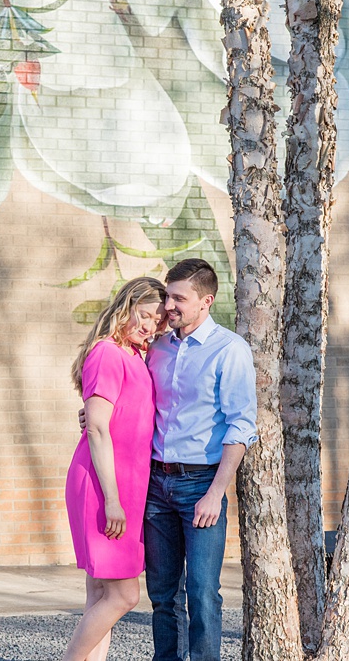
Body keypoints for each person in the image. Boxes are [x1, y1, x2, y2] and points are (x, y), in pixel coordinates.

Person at [143, 258, 258, 661]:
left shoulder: (229, 350)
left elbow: (241, 427)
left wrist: (215, 493)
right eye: (167, 296)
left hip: (200, 486)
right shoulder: (156, 346)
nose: (168, 306)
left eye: (179, 298)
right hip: (155, 486)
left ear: (206, 301)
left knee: (203, 593)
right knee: (161, 594)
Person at [62, 277, 168, 661]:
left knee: (101, 595)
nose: (149, 327)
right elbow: (97, 427)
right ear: (125, 308)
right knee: (124, 595)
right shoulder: (108, 353)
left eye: (157, 321)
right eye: (143, 316)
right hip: (105, 487)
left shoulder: (134, 355)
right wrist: (112, 500)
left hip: (123, 487)